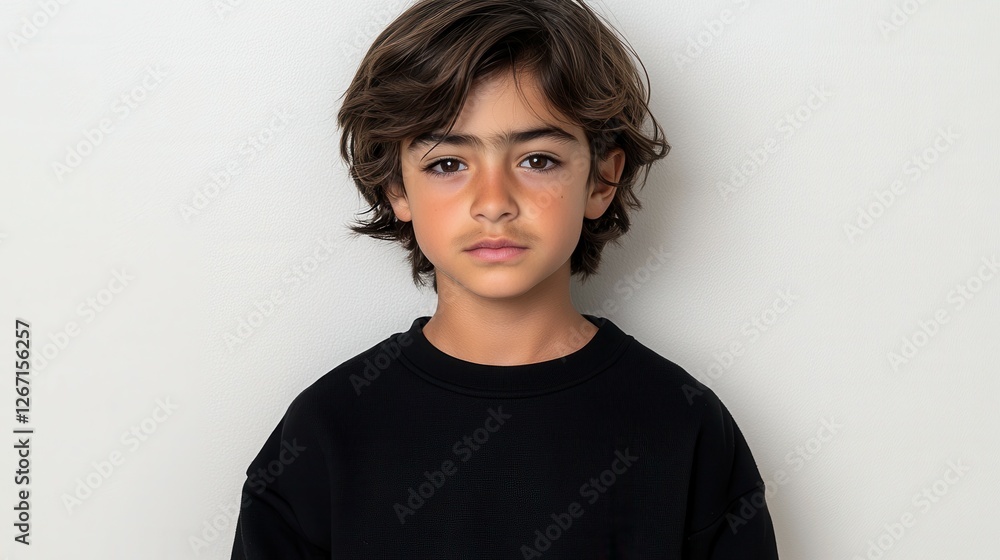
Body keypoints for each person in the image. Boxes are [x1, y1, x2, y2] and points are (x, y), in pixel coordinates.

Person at [230, 0, 780, 558]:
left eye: (537, 160)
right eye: (448, 163)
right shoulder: (325, 432)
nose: (493, 204)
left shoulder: (681, 425)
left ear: (601, 180)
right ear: (396, 186)